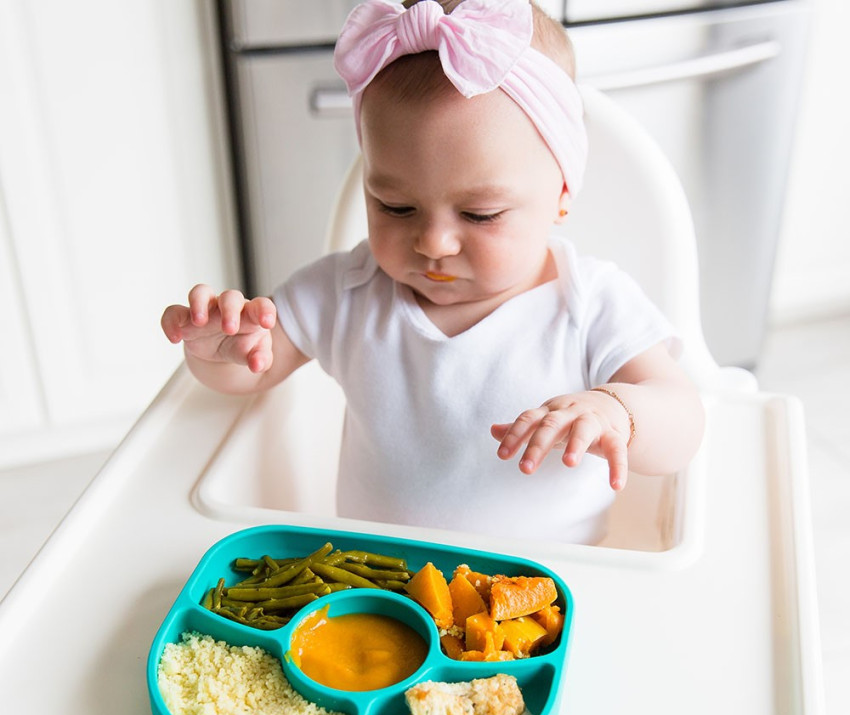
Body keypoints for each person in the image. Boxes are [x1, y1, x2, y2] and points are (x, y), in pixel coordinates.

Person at [161, 0, 705, 544]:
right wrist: (219, 349)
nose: (433, 242)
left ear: (562, 192)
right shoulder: (346, 291)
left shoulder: (589, 304)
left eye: (480, 214)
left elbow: (684, 418)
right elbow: (252, 372)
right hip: (377, 576)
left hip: (545, 585)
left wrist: (618, 413)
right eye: (396, 207)